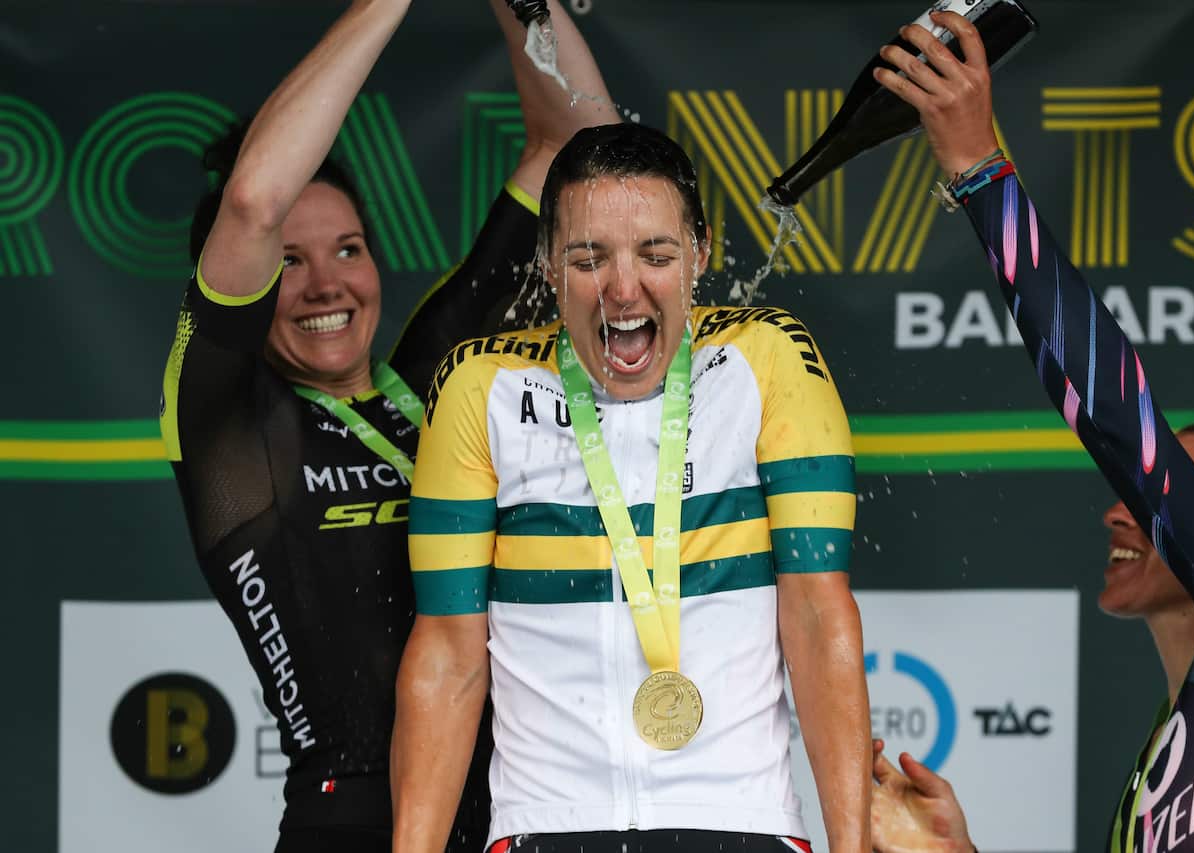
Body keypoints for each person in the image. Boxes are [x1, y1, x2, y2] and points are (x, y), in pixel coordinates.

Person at [158, 1, 617, 850]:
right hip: (352, 821)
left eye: (348, 248)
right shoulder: (226, 421)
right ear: (243, 283)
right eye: (289, 263)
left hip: (525, 810)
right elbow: (256, 200)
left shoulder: (439, 371)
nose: (326, 284)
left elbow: (577, 149)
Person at [392, 121, 872, 853]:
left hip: (741, 820)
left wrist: (855, 846)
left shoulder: (765, 358)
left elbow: (816, 613)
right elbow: (449, 654)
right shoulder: (480, 384)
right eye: (589, 258)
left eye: (657, 254)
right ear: (548, 264)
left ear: (701, 253)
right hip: (545, 824)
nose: (624, 288)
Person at [865, 11, 1194, 853]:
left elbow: (1121, 420)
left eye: (1159, 499)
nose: (1121, 510)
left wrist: (982, 173)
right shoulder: (1155, 771)